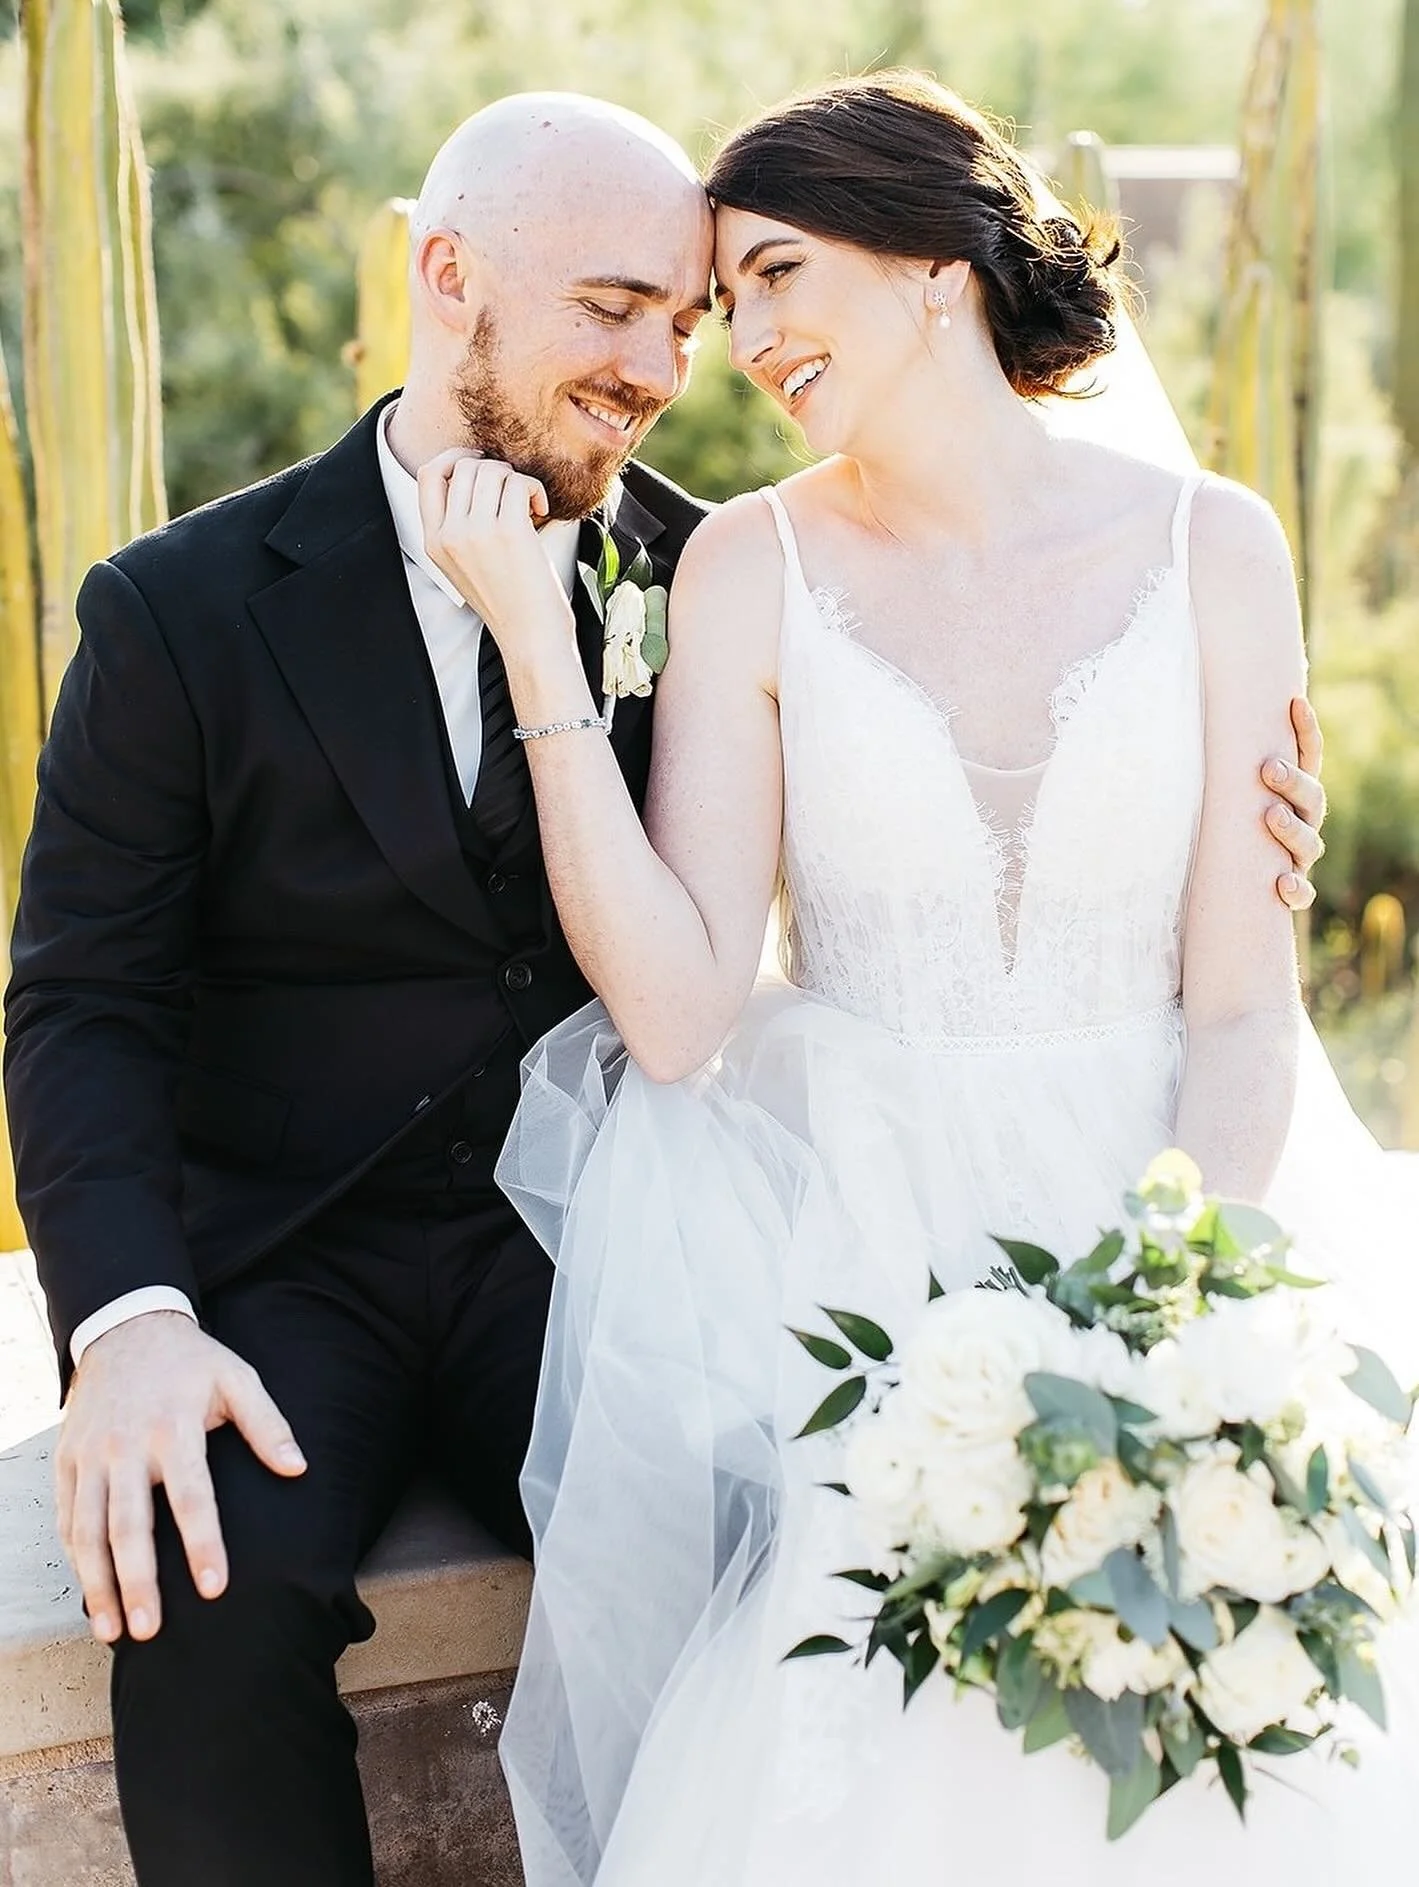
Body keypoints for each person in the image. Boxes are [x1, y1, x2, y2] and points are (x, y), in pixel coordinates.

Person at [415, 73, 1418, 1887]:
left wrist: (1159, 1315)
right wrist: (538, 659)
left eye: (781, 276)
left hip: (1169, 1202)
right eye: (733, 307)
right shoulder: (748, 565)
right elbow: (680, 1009)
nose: (752, 340)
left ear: (935, 264)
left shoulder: (1216, 546)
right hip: (870, 1254)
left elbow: (1242, 1007)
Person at [3, 95, 714, 1887]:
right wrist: (132, 1322)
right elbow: (82, 996)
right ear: (448, 273)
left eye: (684, 324)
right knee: (200, 1604)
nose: (657, 369)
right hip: (281, 1259)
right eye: (613, 307)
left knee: (758, 1555)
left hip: (586, 1241)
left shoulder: (699, 571)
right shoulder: (182, 609)